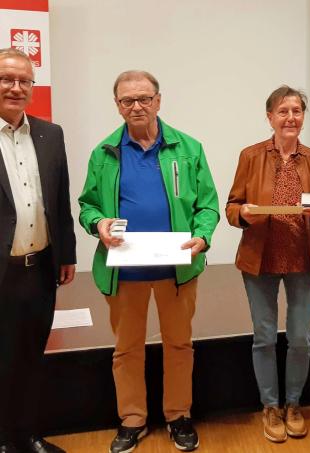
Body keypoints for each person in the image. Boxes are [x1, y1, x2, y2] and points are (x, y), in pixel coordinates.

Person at [78, 70, 219, 453]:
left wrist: (203, 237)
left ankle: (178, 415)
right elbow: (87, 205)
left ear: (158, 100)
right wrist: (97, 223)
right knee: (126, 349)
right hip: (123, 271)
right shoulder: (104, 153)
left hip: (178, 269)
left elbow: (207, 205)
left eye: (144, 98)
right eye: (128, 101)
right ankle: (133, 419)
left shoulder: (189, 148)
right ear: (118, 106)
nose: (136, 106)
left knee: (179, 345)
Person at [226, 85, 310, 443]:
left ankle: (293, 404)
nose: (290, 117)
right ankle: (269, 406)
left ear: (303, 117)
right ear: (270, 116)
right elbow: (231, 206)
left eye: (297, 111)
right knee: (265, 337)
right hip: (261, 258)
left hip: (302, 258)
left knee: (300, 338)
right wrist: (243, 212)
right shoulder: (251, 156)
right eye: (283, 111)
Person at [0, 48, 76, 453]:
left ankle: (25, 436)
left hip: (40, 269)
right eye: (6, 79)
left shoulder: (50, 134)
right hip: (2, 272)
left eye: (24, 81)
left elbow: (59, 200)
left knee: (31, 357)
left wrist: (66, 254)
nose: (16, 88)